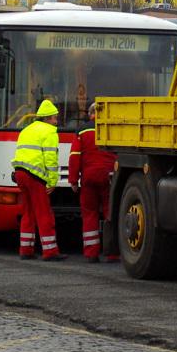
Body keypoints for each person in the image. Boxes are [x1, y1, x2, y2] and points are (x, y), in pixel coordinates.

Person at [12, 99, 65, 261]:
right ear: (47, 118)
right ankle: (50, 251)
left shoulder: (26, 129)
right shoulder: (49, 131)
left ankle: (25, 250)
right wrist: (52, 181)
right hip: (34, 176)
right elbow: (51, 159)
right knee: (44, 213)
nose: (56, 121)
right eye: (55, 118)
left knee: (28, 212)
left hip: (20, 173)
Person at [68, 101, 119, 263]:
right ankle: (112, 253)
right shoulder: (113, 128)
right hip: (109, 176)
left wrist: (73, 180)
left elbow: (75, 156)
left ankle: (91, 253)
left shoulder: (82, 130)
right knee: (110, 213)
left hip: (89, 177)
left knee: (89, 213)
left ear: (90, 114)